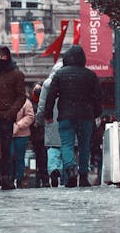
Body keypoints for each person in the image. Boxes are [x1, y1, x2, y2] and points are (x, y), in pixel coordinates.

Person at [43, 44, 102, 187]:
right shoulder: (90, 75)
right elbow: (98, 97)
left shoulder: (60, 74)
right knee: (84, 146)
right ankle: (83, 176)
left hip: (66, 116)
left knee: (67, 144)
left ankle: (70, 170)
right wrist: (96, 113)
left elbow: (51, 96)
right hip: (86, 116)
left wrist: (48, 114)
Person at [0, 45, 26, 190]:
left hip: (7, 117)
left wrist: (11, 113)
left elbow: (21, 96)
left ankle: (7, 177)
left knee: (7, 149)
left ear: (5, 57)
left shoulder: (16, 75)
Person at [35, 62, 64, 187]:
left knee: (52, 146)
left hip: (50, 119)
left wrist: (38, 120)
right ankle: (67, 171)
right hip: (66, 117)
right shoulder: (69, 82)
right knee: (67, 146)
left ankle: (53, 169)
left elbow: (41, 105)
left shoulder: (47, 84)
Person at [11, 93, 34, 187]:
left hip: (22, 134)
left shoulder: (26, 102)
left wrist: (18, 125)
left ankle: (19, 179)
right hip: (8, 134)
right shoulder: (5, 99)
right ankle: (10, 177)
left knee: (20, 158)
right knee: (10, 156)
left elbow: (30, 116)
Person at [28, 83, 49, 187]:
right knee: (41, 158)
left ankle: (43, 178)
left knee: (42, 158)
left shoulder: (37, 103)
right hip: (38, 136)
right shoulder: (33, 104)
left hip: (42, 135)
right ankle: (42, 178)